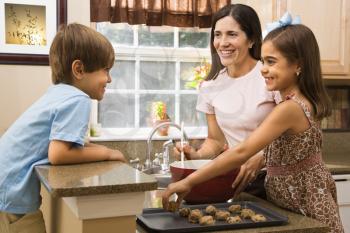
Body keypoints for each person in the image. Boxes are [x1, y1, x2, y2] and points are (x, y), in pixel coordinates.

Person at [164, 23, 344, 232]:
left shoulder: (289, 108)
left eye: (271, 62)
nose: (264, 69)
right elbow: (289, 149)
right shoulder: (301, 101)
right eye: (263, 61)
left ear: (298, 65)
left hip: (303, 204)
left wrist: (189, 182)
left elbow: (241, 151)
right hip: (304, 197)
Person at [0, 23, 126, 233]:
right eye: (106, 69)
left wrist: (92, 148)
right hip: (11, 197)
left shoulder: (58, 93)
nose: (110, 79)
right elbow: (59, 153)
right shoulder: (78, 99)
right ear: (79, 69)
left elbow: (65, 143)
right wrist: (107, 153)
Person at [174, 4, 279, 198]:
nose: (222, 43)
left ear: (252, 40)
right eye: (217, 34)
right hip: (236, 180)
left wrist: (263, 155)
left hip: (274, 178)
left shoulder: (270, 77)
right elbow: (216, 140)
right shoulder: (210, 86)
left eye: (232, 34)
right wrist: (195, 155)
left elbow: (294, 128)